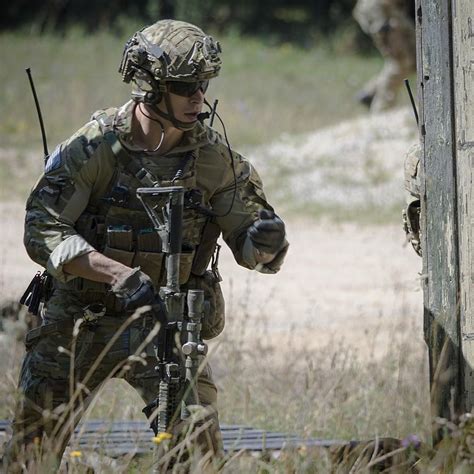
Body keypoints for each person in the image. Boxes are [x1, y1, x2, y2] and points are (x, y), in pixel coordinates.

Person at [5, 19, 288, 470]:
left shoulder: (214, 158)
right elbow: (42, 229)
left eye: (204, 84)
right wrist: (116, 274)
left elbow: (252, 239)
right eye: (185, 86)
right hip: (80, 317)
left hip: (165, 322)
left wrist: (267, 243)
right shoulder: (95, 147)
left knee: (198, 449)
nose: (199, 96)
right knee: (32, 452)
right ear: (150, 87)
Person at [353, 0, 416, 112]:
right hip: (384, 21)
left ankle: (370, 91)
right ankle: (381, 111)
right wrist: (387, 47)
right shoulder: (376, 7)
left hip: (387, 15)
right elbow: (381, 29)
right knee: (400, 64)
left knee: (408, 64)